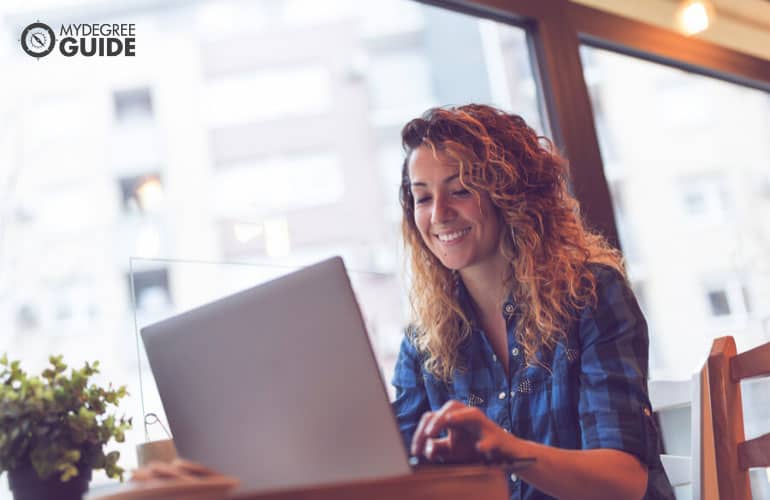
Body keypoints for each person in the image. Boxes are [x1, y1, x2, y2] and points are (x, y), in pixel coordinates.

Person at [392, 104, 675, 500]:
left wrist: (508, 451)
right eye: (422, 198)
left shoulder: (591, 295)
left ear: (509, 196)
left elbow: (624, 481)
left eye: (460, 191)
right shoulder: (423, 342)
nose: (439, 214)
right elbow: (395, 476)